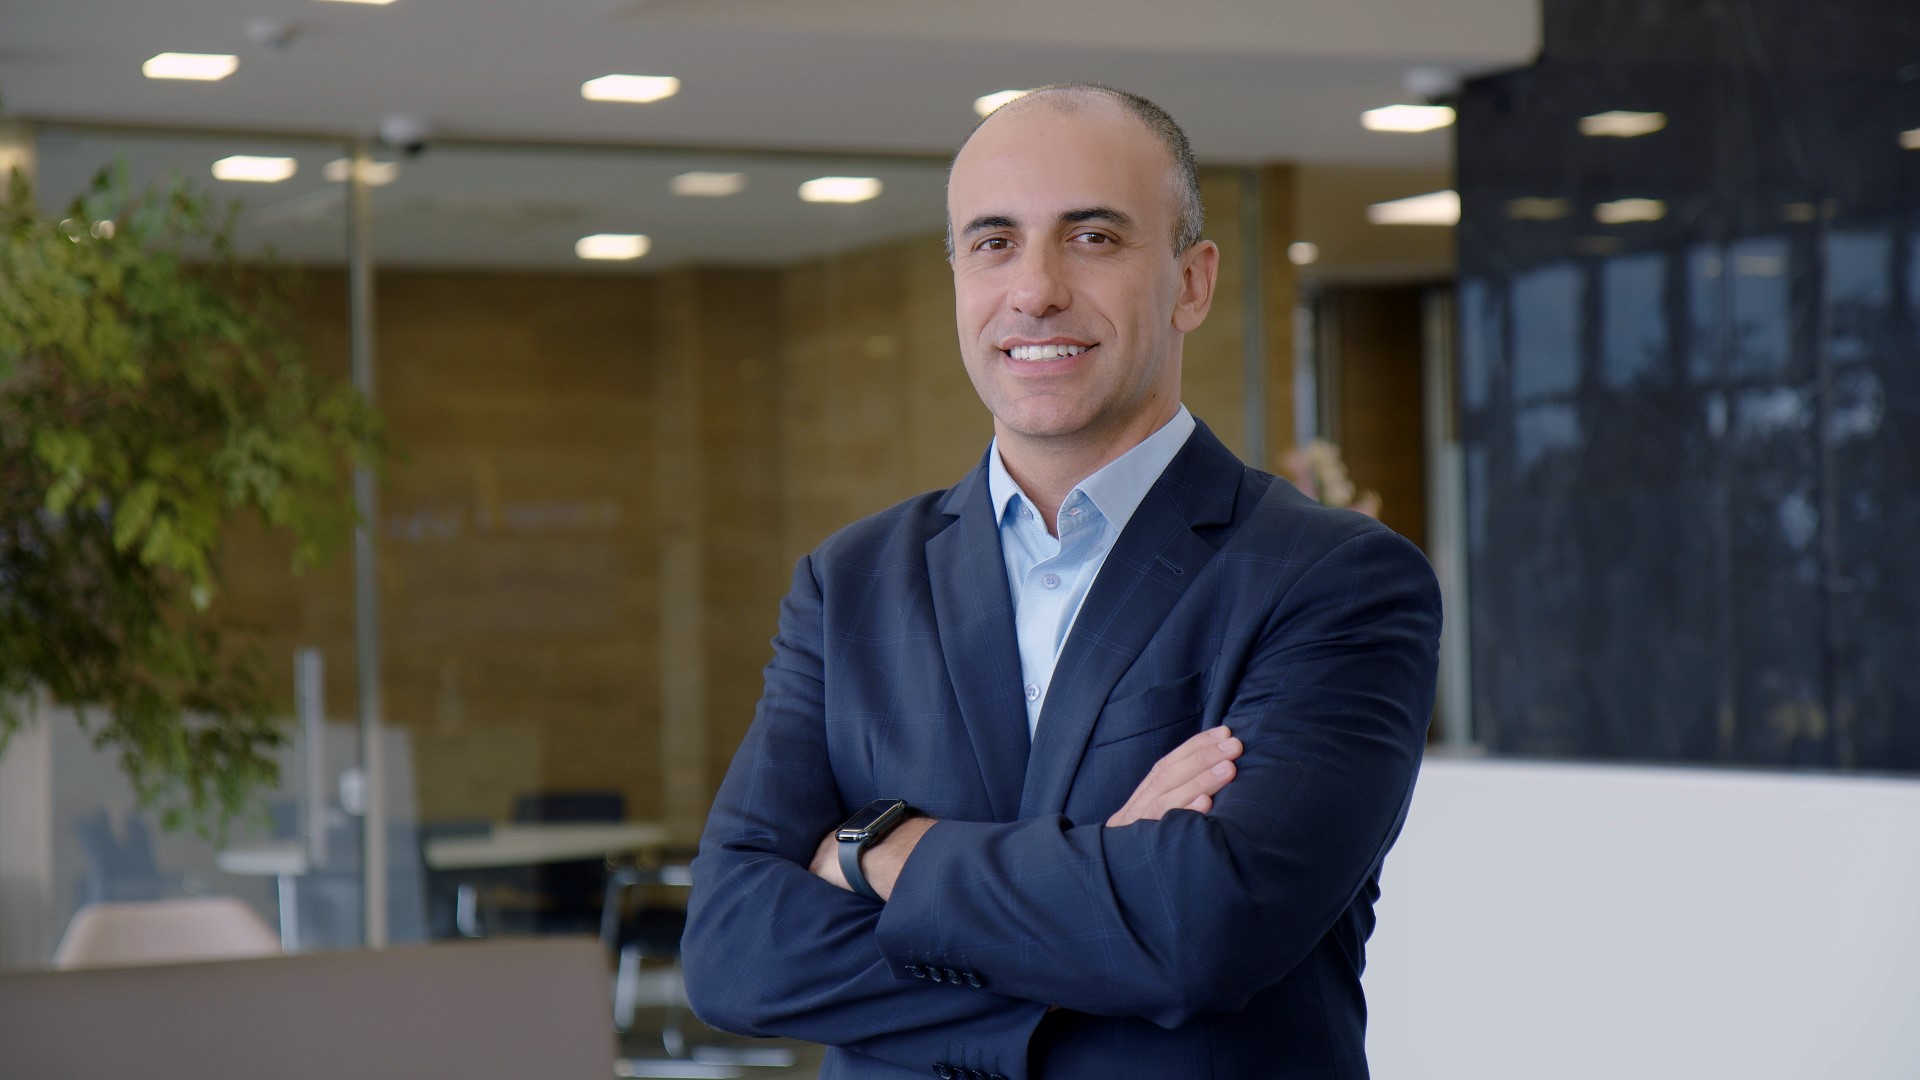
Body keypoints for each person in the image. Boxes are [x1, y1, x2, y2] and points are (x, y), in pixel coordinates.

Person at [682, 83, 1441, 1080]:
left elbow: (1200, 930)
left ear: (1192, 283)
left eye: (1092, 238)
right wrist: (1099, 895)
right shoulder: (850, 582)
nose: (1034, 290)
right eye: (994, 243)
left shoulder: (1337, 578)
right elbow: (734, 952)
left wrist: (881, 853)